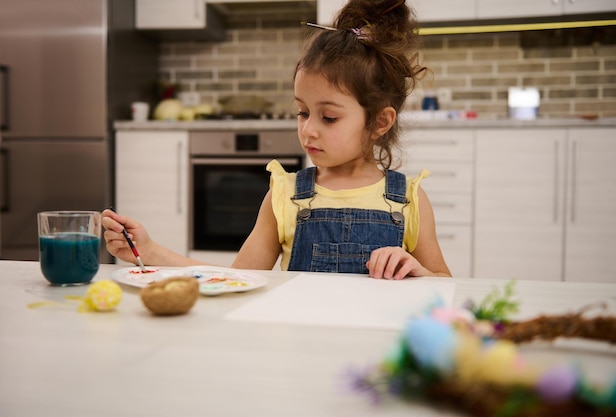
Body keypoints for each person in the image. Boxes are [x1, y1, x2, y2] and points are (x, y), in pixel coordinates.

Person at [102, 0, 451, 279]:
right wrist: (150, 252)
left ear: (379, 122)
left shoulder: (407, 199)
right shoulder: (284, 196)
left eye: (328, 117)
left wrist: (417, 271)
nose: (309, 129)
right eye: (302, 112)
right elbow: (237, 278)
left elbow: (443, 284)